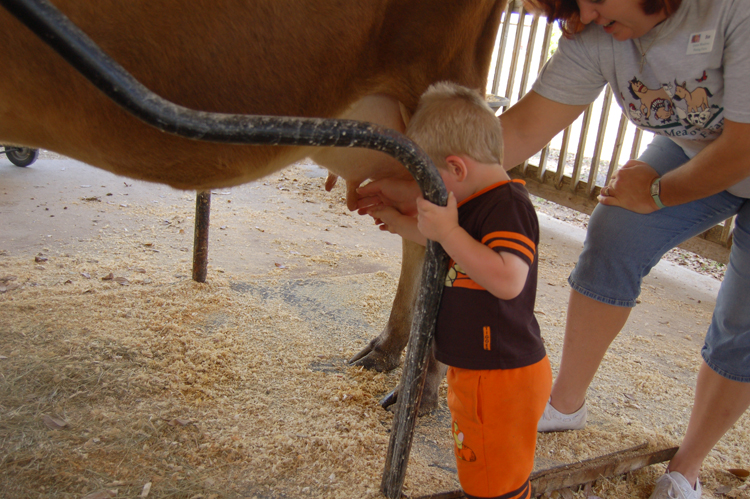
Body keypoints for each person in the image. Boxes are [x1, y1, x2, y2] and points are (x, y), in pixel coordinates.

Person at [357, 1, 750, 498]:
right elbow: (510, 137)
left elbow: (743, 147)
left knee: (743, 322)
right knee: (614, 233)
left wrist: (656, 192)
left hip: (743, 144)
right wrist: (408, 188)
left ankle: (686, 468)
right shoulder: (597, 29)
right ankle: (565, 403)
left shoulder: (734, 12)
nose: (582, 12)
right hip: (700, 148)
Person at [365, 81, 551, 499]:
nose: (426, 193)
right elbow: (446, 247)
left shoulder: (508, 207)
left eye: (429, 182)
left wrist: (447, 230)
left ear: (457, 168)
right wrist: (395, 219)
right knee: (488, 476)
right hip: (482, 372)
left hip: (500, 378)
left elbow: (508, 279)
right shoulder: (473, 204)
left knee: (494, 486)